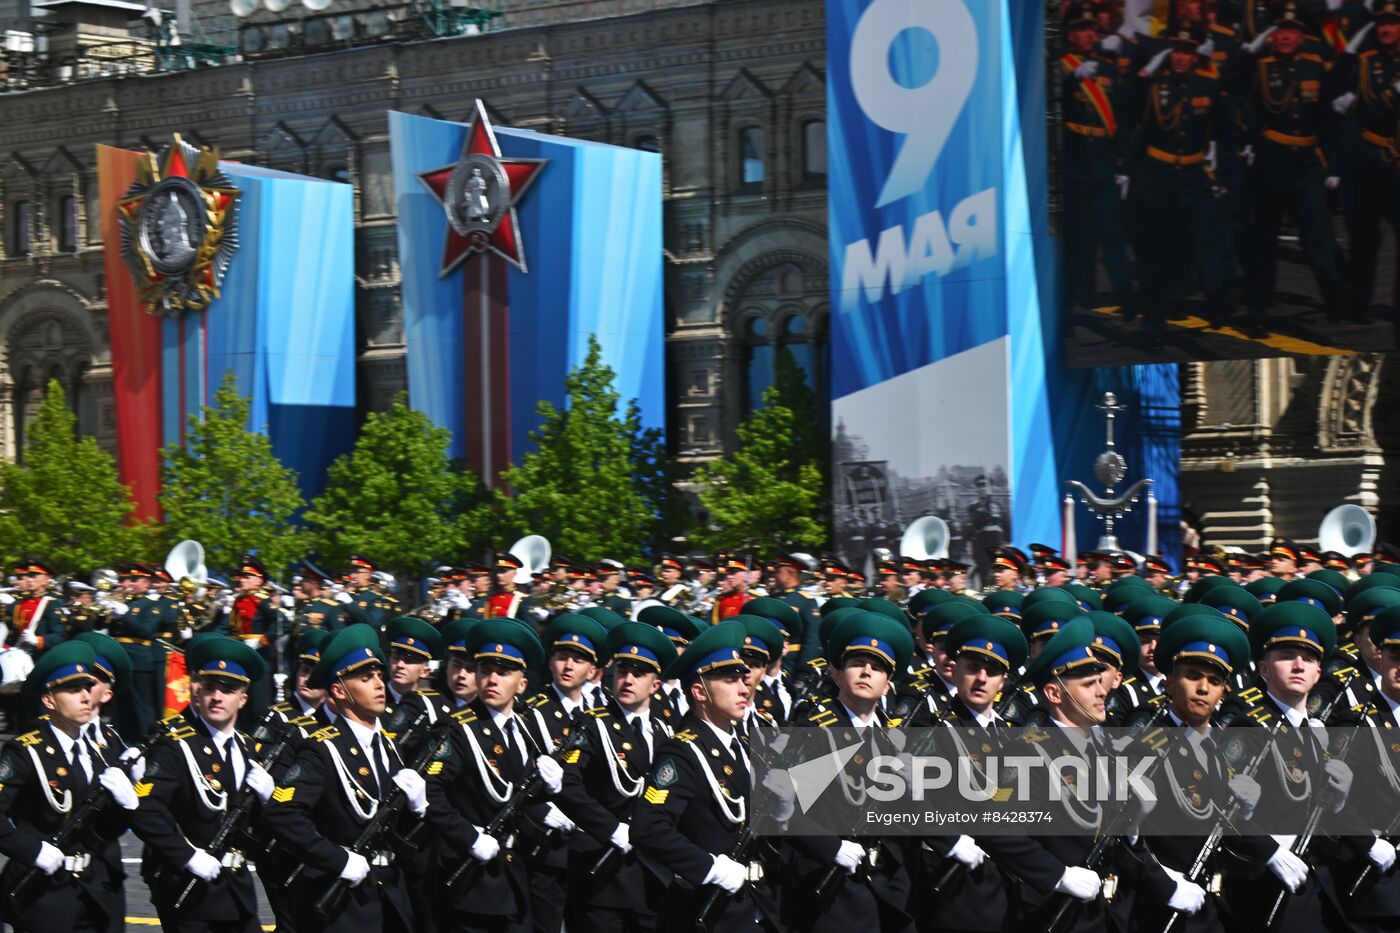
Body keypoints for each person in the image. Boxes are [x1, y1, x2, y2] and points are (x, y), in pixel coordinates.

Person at [262, 625, 422, 932]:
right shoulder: (322, 748)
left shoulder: (388, 746)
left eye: (378, 675)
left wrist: (419, 809)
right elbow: (282, 814)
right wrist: (338, 860)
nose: (379, 684)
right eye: (365, 678)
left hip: (390, 896)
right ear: (339, 690)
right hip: (343, 906)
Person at [632, 621, 780, 931]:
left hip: (755, 904)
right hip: (706, 908)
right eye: (730, 680)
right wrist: (709, 867)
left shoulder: (744, 744)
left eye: (744, 678)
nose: (744, 687)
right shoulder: (682, 752)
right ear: (700, 691)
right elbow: (648, 828)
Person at [1217, 601, 1353, 931]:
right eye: (1286, 656)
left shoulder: (1318, 733)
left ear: (1318, 673)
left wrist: (1340, 798)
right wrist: (1269, 852)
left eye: (1308, 659)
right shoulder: (1247, 727)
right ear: (1263, 669)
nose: (1298, 665)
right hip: (1265, 885)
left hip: (1319, 883)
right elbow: (1223, 805)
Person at [779, 610, 917, 933]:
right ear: (838, 674)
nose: (867, 672)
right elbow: (784, 811)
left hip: (886, 883)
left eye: (878, 667)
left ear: (888, 684)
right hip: (831, 887)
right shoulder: (817, 731)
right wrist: (832, 847)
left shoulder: (891, 737)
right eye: (857, 663)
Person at [130, 635, 274, 933]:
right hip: (188, 888)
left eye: (228, 690)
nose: (217, 697)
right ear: (197, 693)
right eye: (210, 688)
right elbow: (147, 810)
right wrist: (187, 856)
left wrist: (270, 801)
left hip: (236, 888)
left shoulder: (251, 750)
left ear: (242, 699)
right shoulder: (175, 744)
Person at [420, 618, 556, 933]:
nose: (492, 679)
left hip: (518, 872)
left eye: (503, 673)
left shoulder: (527, 728)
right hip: (472, 878)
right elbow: (430, 793)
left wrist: (552, 792)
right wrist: (468, 837)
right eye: (485, 670)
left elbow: (519, 794)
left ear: (522, 683)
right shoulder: (456, 728)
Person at [0, 641, 141, 933]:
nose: (86, 697)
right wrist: (30, 849)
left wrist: (127, 807)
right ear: (49, 700)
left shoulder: (100, 750)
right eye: (74, 690)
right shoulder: (25, 752)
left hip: (98, 888)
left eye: (88, 688)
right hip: (45, 892)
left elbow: (101, 829)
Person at [1133, 613, 1262, 931]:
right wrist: (1163, 883)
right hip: (1162, 909)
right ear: (1169, 682)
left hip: (1219, 906)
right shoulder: (1143, 747)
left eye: (1215, 681)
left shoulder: (1225, 748)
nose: (1203, 688)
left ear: (1224, 692)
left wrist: (1246, 813)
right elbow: (1124, 837)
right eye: (1192, 676)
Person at [553, 621, 679, 933]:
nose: (628, 680)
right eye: (623, 671)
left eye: (639, 673)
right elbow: (567, 785)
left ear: (655, 685)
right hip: (602, 871)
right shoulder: (591, 724)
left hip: (651, 873)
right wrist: (610, 828)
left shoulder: (665, 732)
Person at [911, 614, 1027, 933]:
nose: (981, 678)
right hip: (958, 881)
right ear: (957, 670)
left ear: (1003, 681)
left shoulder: (1010, 734)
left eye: (992, 671)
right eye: (973, 668)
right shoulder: (932, 728)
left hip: (1010, 878)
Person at [1242, 2, 1348, 333]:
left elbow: (1331, 117)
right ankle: (1258, 312)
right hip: (1271, 163)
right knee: (1264, 243)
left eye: (1292, 31)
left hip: (1307, 166)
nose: (1286, 36)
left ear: (1301, 36)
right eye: (1280, 30)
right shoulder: (1259, 67)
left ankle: (1333, 296)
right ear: (1273, 34)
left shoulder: (1316, 66)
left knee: (1318, 236)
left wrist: (1334, 164)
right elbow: (1241, 106)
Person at [521, 613, 611, 933]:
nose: (569, 665)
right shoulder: (531, 712)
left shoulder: (602, 714)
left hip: (594, 843)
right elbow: (514, 776)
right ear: (551, 662)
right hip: (550, 846)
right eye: (562, 657)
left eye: (579, 660)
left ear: (593, 670)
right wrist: (542, 809)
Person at [1062, 2, 1135, 313]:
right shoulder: (1060, 66)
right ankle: (1079, 295)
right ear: (1070, 34)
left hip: (1103, 159)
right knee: (1079, 234)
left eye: (1092, 29)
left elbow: (1120, 115)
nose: (1089, 35)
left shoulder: (1107, 68)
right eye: (1082, 29)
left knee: (1112, 231)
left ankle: (1125, 293)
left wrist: (1123, 164)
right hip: (1076, 156)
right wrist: (1070, 81)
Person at [111, 562, 180, 739]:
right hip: (121, 658)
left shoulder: (152, 604)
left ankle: (149, 742)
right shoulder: (127, 602)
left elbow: (147, 630)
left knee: (142, 707)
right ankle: (123, 740)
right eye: (129, 579)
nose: (130, 583)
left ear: (147, 583)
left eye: (135, 579)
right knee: (121, 707)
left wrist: (125, 614)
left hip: (139, 660)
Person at [229, 554, 283, 724]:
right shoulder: (239, 600)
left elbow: (282, 623)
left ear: (258, 581)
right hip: (243, 656)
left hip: (261, 658)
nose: (242, 580)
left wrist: (262, 641)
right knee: (243, 703)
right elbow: (233, 627)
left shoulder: (262, 601)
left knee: (260, 704)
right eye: (242, 576)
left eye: (247, 577)